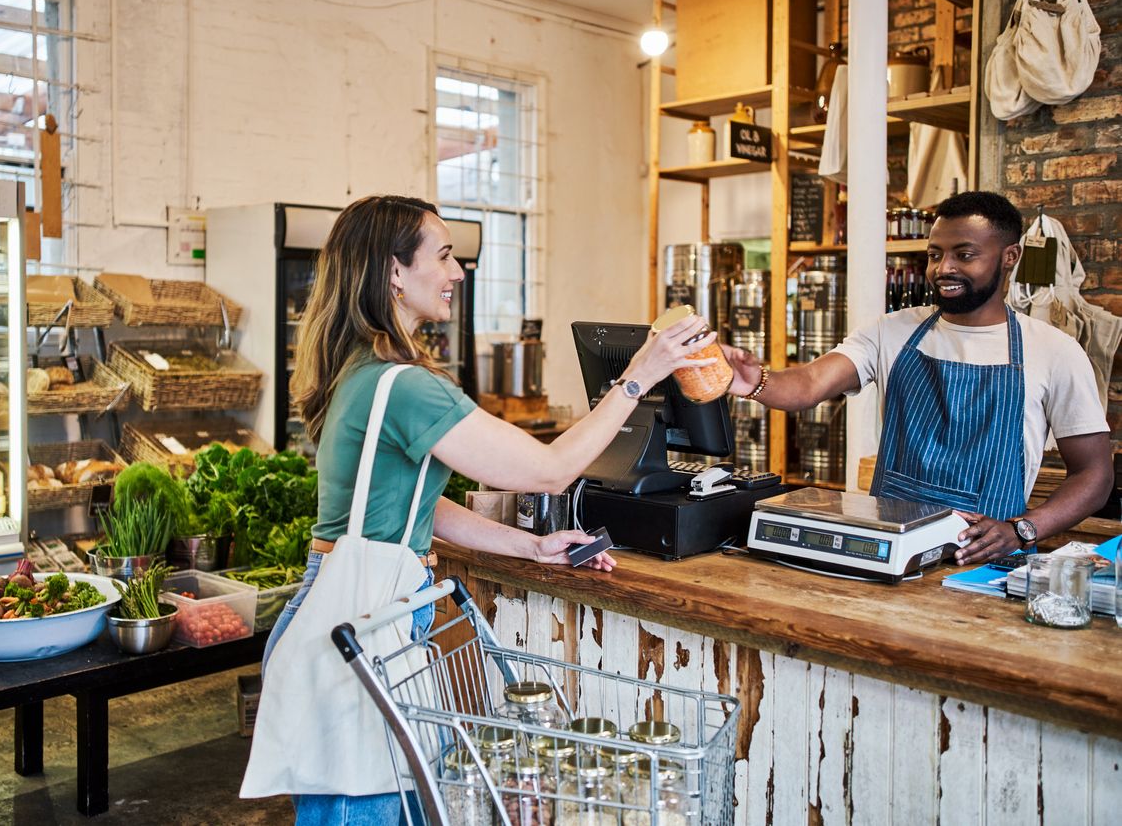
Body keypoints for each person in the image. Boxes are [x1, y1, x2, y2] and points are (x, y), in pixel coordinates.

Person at [246, 195, 712, 825]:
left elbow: (420, 506)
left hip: (352, 606)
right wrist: (638, 376)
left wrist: (530, 545)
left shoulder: (362, 372)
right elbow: (551, 469)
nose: (457, 273)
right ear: (392, 272)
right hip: (360, 617)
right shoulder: (404, 386)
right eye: (442, 256)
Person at [721, 191, 1112, 565]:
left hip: (983, 566)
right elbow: (808, 384)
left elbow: (1094, 474)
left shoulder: (1053, 350)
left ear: (1010, 256)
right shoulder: (891, 331)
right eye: (935, 254)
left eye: (965, 255)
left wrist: (1023, 529)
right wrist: (754, 381)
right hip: (890, 555)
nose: (944, 269)